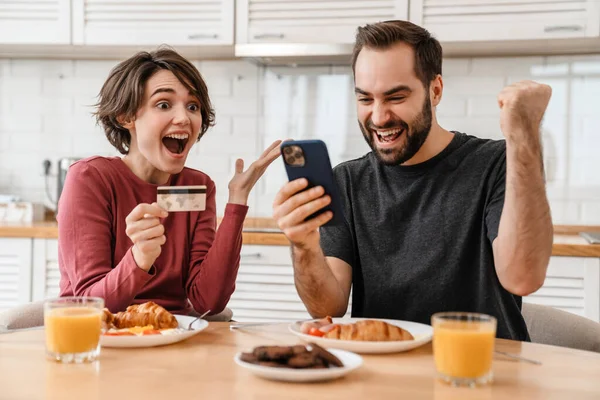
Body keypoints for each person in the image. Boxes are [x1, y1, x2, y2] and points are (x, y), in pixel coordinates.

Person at [272, 20, 553, 340]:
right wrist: (304, 245)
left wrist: (524, 135)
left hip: (482, 373)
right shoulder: (348, 181)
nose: (378, 117)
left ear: (435, 91)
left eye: (395, 97)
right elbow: (328, 305)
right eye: (365, 99)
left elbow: (523, 278)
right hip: (385, 373)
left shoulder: (496, 163)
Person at [58, 47, 281, 317]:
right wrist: (140, 259)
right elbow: (88, 306)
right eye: (163, 104)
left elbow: (208, 301)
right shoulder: (90, 179)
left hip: (175, 338)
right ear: (126, 116)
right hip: (100, 344)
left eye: (193, 106)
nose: (184, 118)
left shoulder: (197, 185)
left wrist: (237, 201)